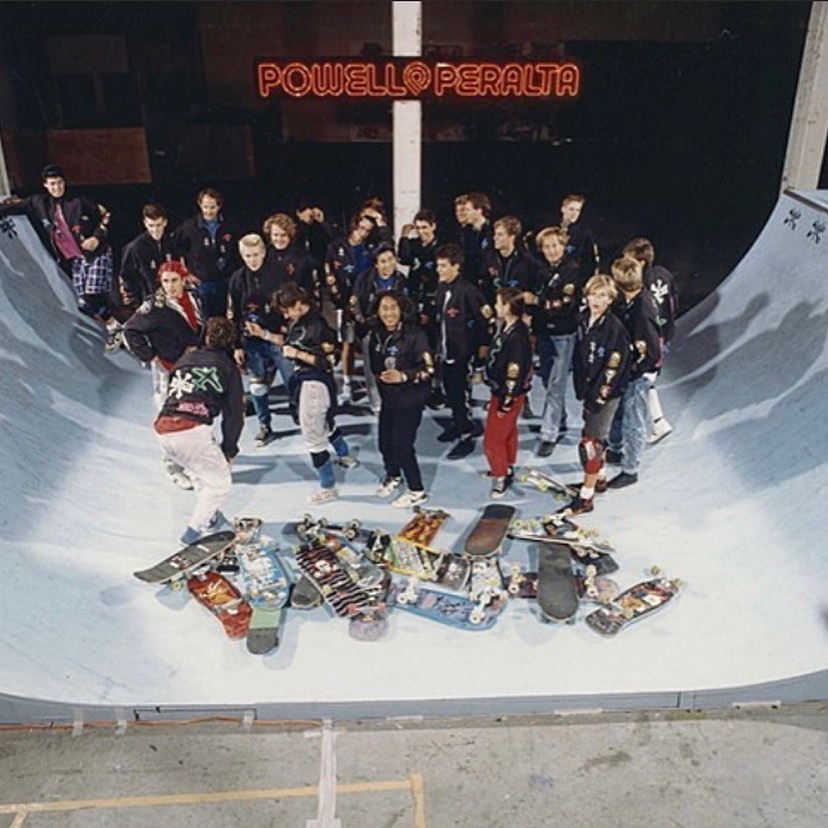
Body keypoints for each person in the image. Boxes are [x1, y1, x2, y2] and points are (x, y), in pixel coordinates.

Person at [249, 283, 358, 504]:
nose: (285, 315)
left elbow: (327, 362)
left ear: (299, 304)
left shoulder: (317, 327)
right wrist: (264, 334)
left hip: (315, 383)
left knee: (313, 435)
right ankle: (345, 455)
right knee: (325, 423)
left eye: (287, 310)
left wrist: (297, 354)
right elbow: (289, 343)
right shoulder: (302, 322)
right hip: (308, 381)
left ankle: (328, 487)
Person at [0, 164, 118, 349]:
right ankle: (115, 324)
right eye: (53, 184)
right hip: (76, 260)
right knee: (84, 305)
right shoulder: (39, 203)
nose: (57, 188)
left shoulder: (78, 202)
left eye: (60, 183)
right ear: (45, 185)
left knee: (91, 296)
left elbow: (107, 214)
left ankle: (114, 327)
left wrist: (97, 236)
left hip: (97, 253)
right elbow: (12, 208)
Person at [153, 316, 244, 545]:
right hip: (190, 431)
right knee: (220, 483)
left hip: (163, 428)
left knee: (198, 471)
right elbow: (234, 415)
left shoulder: (185, 359)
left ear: (206, 337)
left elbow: (170, 393)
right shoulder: (228, 368)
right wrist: (229, 449)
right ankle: (194, 532)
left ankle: (210, 517)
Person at [123, 259, 204, 489]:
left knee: (196, 413)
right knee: (169, 419)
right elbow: (130, 330)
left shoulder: (194, 297)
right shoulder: (154, 306)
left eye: (174, 280)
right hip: (167, 369)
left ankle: (198, 456)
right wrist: (150, 356)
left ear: (184, 279)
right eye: (165, 281)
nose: (170, 286)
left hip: (192, 367)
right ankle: (173, 467)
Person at [564, 274, 630, 515]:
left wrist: (598, 398)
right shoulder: (583, 319)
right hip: (588, 387)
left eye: (603, 296)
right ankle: (599, 478)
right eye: (593, 294)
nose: (597, 300)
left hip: (606, 392)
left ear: (610, 299)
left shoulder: (615, 329)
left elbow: (613, 369)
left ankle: (586, 497)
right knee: (591, 435)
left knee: (591, 444)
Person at [227, 233, 295, 446]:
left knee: (293, 381)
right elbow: (233, 315)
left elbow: (292, 307)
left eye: (256, 254)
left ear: (264, 253)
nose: (252, 260)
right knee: (257, 388)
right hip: (252, 343)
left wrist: (287, 335)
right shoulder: (237, 279)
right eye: (248, 256)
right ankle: (265, 426)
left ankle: (300, 413)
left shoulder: (279, 275)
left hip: (278, 339)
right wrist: (237, 346)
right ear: (241, 255)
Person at [368, 291, 434, 508]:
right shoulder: (376, 335)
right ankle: (393, 475)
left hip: (411, 398)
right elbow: (376, 365)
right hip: (389, 399)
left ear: (401, 309)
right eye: (384, 308)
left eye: (393, 308)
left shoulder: (416, 335)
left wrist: (404, 376)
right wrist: (382, 377)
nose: (389, 313)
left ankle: (417, 490)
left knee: (402, 445)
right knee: (385, 443)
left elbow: (429, 370)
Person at [604, 256, 662, 489]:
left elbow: (651, 352)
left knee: (634, 420)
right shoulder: (628, 302)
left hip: (637, 374)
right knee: (618, 412)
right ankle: (615, 449)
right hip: (626, 370)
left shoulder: (642, 311)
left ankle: (631, 469)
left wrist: (633, 372)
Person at [433, 243, 494, 460]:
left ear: (456, 266)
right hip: (446, 352)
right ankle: (458, 424)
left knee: (461, 395)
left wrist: (480, 354)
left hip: (463, 354)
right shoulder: (441, 289)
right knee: (451, 393)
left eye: (443, 266)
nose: (439, 270)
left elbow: (486, 322)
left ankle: (467, 433)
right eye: (438, 265)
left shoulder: (469, 292)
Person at [531, 226, 583, 457]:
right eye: (546, 247)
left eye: (555, 246)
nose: (551, 250)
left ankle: (549, 433)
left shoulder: (571, 270)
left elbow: (565, 304)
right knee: (546, 379)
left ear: (563, 246)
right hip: (544, 332)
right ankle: (559, 419)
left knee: (556, 383)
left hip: (563, 333)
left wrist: (538, 301)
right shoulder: (541, 269)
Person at [622, 236, 678, 444]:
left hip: (650, 338)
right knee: (647, 379)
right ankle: (657, 421)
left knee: (642, 379)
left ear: (641, 262)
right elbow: (674, 302)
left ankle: (656, 423)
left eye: (629, 260)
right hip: (665, 335)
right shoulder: (664, 274)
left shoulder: (640, 285)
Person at [483, 287, 533, 498]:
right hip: (502, 391)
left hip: (507, 394)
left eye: (499, 303)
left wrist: (507, 400)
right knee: (508, 431)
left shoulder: (517, 337)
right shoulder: (508, 327)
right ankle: (507, 465)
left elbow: (514, 371)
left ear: (508, 307)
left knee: (493, 439)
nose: (495, 306)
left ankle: (500, 475)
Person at [324, 212, 376, 403]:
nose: (363, 233)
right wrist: (338, 298)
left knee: (370, 344)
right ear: (354, 225)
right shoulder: (336, 247)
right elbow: (329, 273)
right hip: (345, 302)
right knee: (348, 342)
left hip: (367, 303)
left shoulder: (371, 248)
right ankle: (347, 385)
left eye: (368, 231)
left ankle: (373, 389)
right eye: (361, 228)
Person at [350, 242, 408, 413]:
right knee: (372, 367)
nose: (388, 264)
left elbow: (407, 305)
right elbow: (355, 304)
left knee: (396, 363)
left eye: (390, 259)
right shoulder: (364, 279)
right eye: (383, 261)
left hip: (396, 330)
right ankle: (376, 403)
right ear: (376, 264)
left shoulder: (401, 280)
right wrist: (363, 323)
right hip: (371, 330)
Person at [398, 209, 442, 407]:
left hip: (432, 301)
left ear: (433, 226)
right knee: (413, 344)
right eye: (418, 228)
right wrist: (404, 237)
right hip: (414, 299)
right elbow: (404, 258)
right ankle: (416, 384)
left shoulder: (440, 247)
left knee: (431, 346)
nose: (422, 231)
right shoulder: (414, 245)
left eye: (425, 227)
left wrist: (429, 310)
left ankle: (434, 388)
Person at [177, 187, 242, 318]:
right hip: (202, 283)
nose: (208, 211)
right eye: (205, 207)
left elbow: (238, 250)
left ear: (219, 206)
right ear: (200, 205)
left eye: (212, 207)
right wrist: (186, 274)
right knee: (205, 319)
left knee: (225, 318)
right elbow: (178, 250)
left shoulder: (230, 225)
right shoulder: (189, 227)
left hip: (225, 281)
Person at [118, 202, 182, 318]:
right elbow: (127, 278)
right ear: (145, 224)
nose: (155, 230)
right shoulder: (134, 248)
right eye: (151, 226)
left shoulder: (172, 243)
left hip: (170, 301)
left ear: (165, 222)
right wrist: (136, 305)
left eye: (158, 225)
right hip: (147, 304)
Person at [262, 212, 319, 298]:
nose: (279, 239)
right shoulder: (264, 255)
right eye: (275, 235)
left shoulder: (303, 258)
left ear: (290, 236)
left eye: (283, 235)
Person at [559, 194, 600, 283]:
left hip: (572, 279)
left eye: (578, 210)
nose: (574, 213)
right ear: (563, 209)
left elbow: (590, 261)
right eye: (571, 209)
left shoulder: (584, 233)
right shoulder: (550, 229)